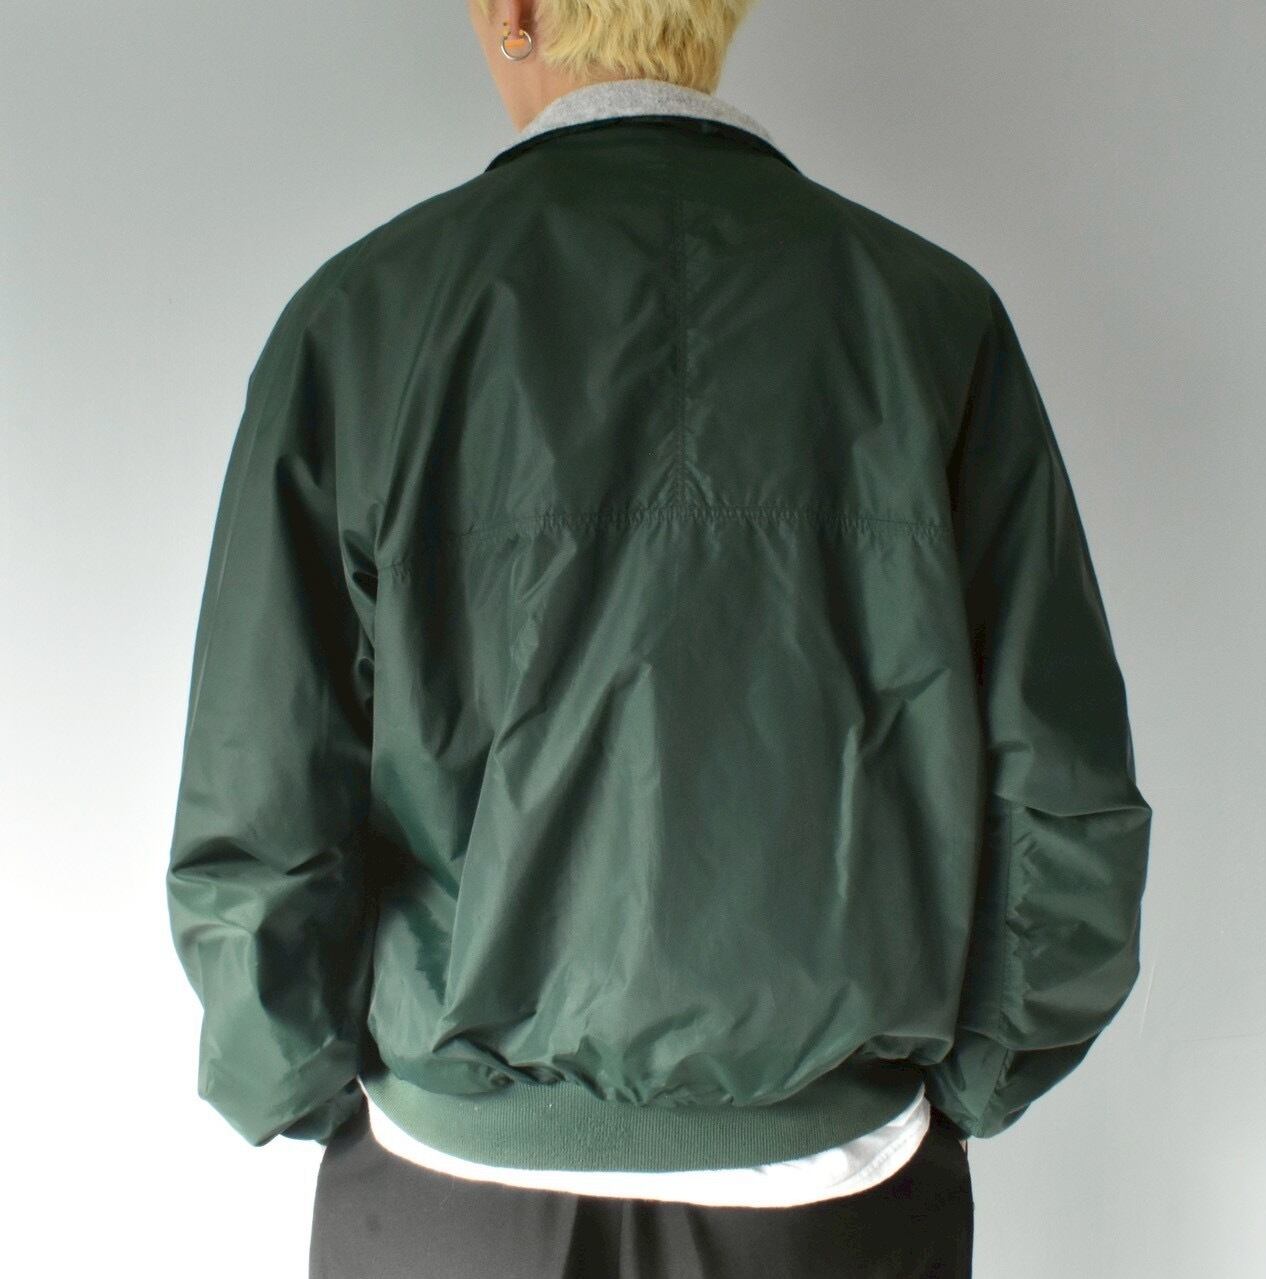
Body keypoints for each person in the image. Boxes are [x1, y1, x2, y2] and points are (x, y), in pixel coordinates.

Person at [164, 2, 1153, 1276]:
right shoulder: (931, 316)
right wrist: (963, 1079)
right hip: (833, 1185)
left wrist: (295, 1075)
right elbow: (1059, 789)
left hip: (451, 1187)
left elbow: (262, 777)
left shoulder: (361, 318)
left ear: (515, 15)